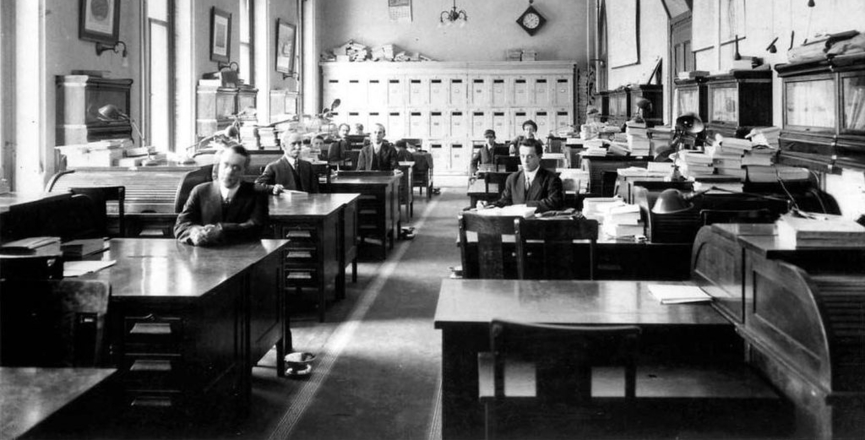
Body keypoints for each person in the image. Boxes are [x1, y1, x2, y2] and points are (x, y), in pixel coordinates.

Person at [175, 144, 268, 245]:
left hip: (242, 254)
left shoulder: (257, 193)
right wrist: (193, 233)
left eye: (235, 167)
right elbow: (181, 225)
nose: (228, 171)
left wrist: (220, 230)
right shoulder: (200, 191)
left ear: (244, 171)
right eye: (225, 165)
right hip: (204, 255)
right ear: (219, 166)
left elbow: (256, 227)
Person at [479, 138, 563, 213]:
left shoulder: (552, 179)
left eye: (530, 156)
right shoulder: (512, 178)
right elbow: (505, 201)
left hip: (540, 226)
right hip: (516, 225)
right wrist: (488, 205)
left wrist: (524, 206)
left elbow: (554, 202)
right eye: (522, 156)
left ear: (540, 157)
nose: (525, 160)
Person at [255, 132, 320, 194]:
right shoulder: (274, 167)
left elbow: (315, 191)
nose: (298, 147)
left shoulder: (307, 166)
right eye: (293, 144)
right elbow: (257, 185)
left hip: (307, 203)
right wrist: (273, 188)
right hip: (284, 204)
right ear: (283, 146)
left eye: (299, 143)